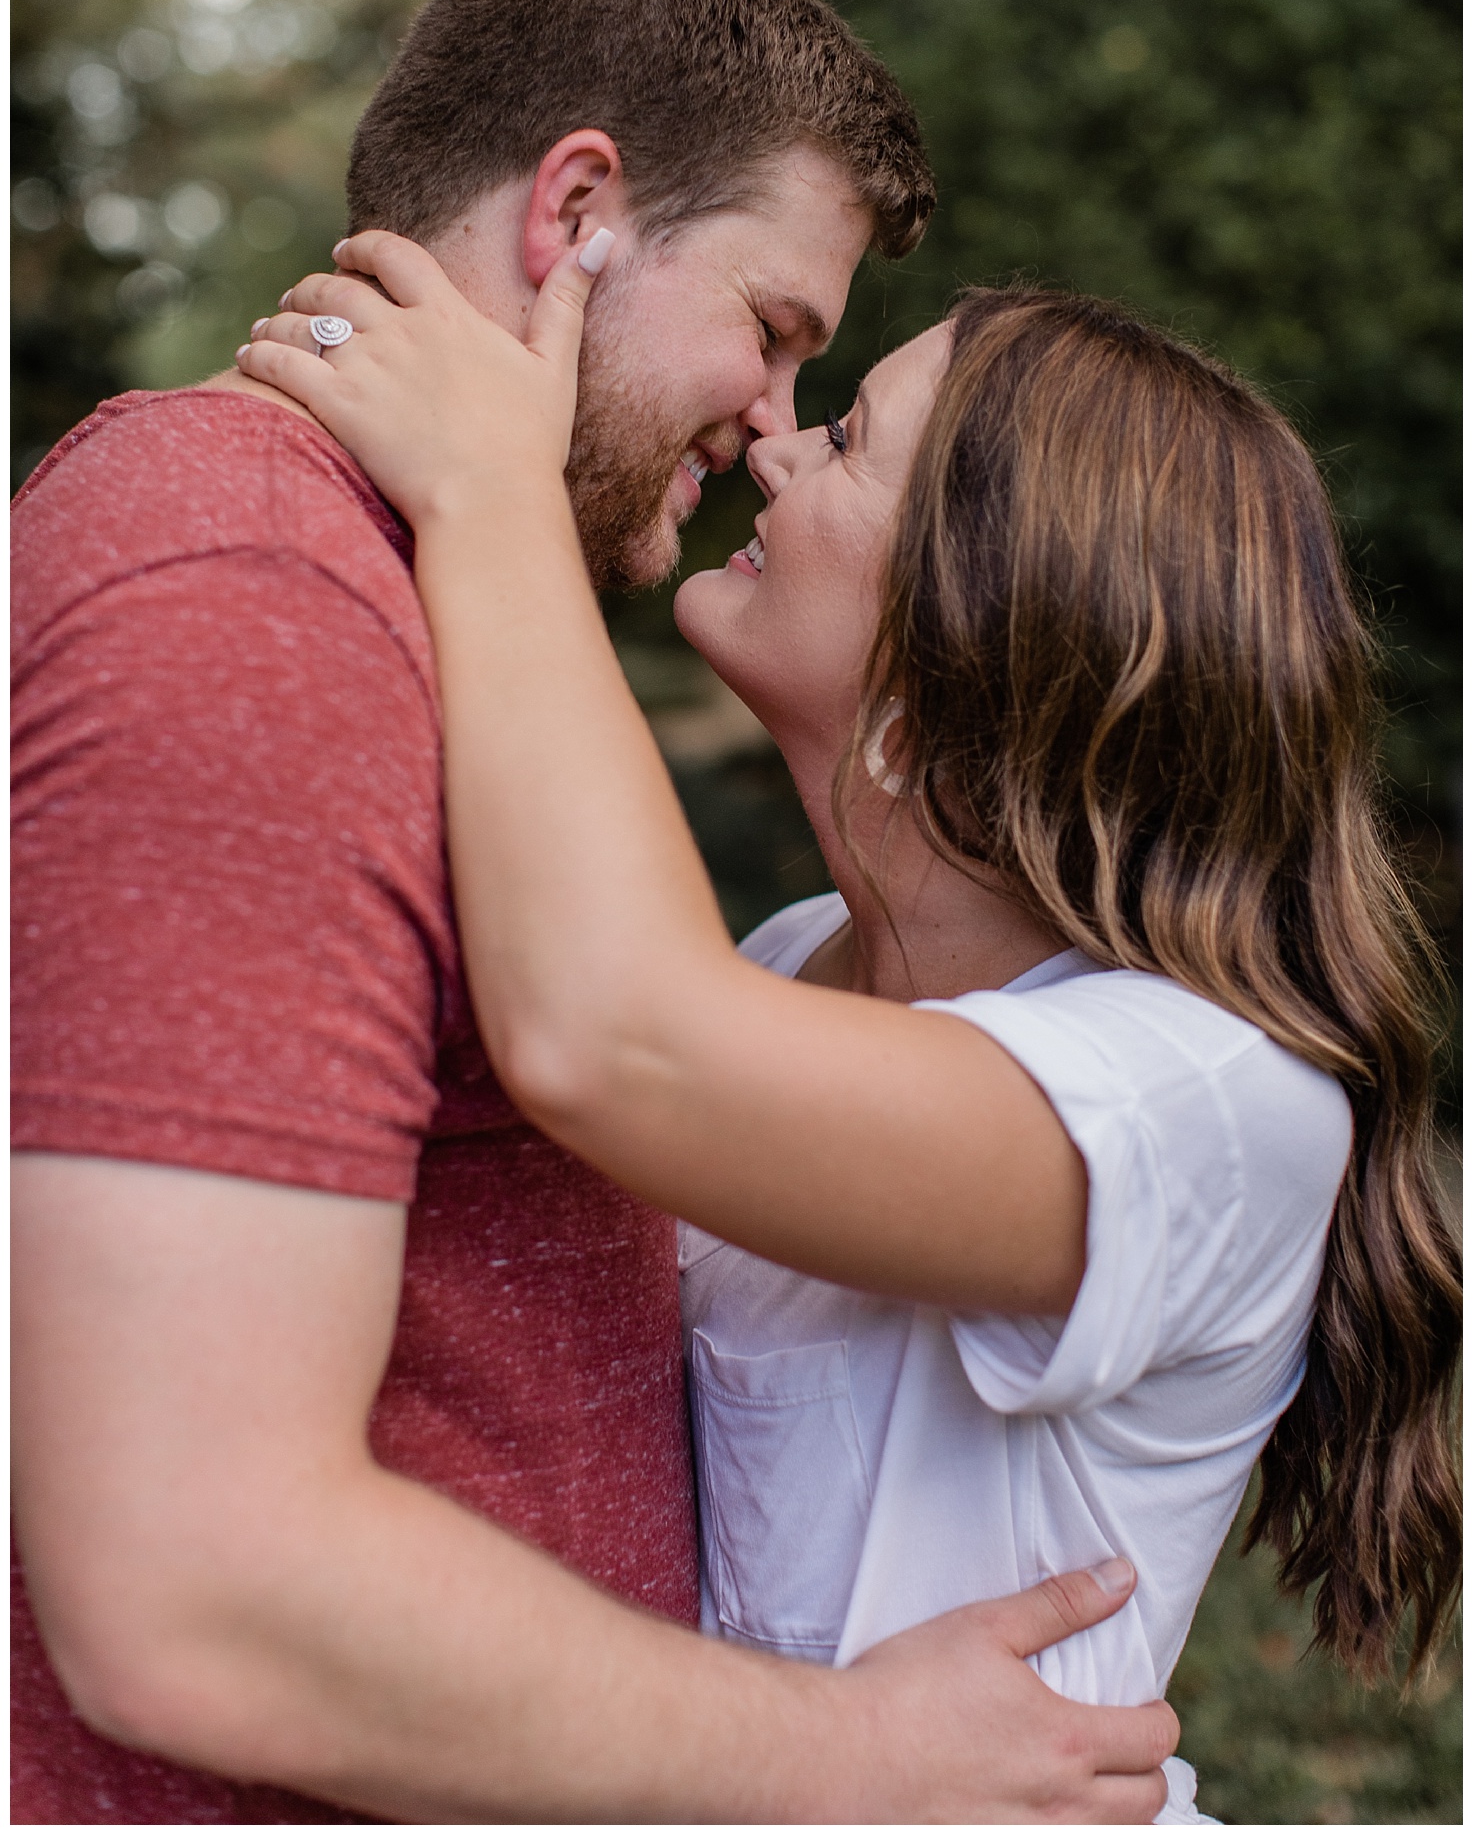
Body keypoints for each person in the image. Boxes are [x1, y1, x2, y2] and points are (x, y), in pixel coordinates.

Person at [11, 0, 1179, 1824]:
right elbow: (189, 1579)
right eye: (776, 331)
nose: (771, 424)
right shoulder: (250, 586)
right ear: (579, 213)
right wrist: (849, 1761)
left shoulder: (422, 600)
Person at [235, 227, 1462, 1822]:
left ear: (980, 612)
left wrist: (492, 494)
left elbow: (612, 1041)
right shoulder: (791, 958)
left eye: (851, 437)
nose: (774, 436)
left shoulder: (1205, 1093)